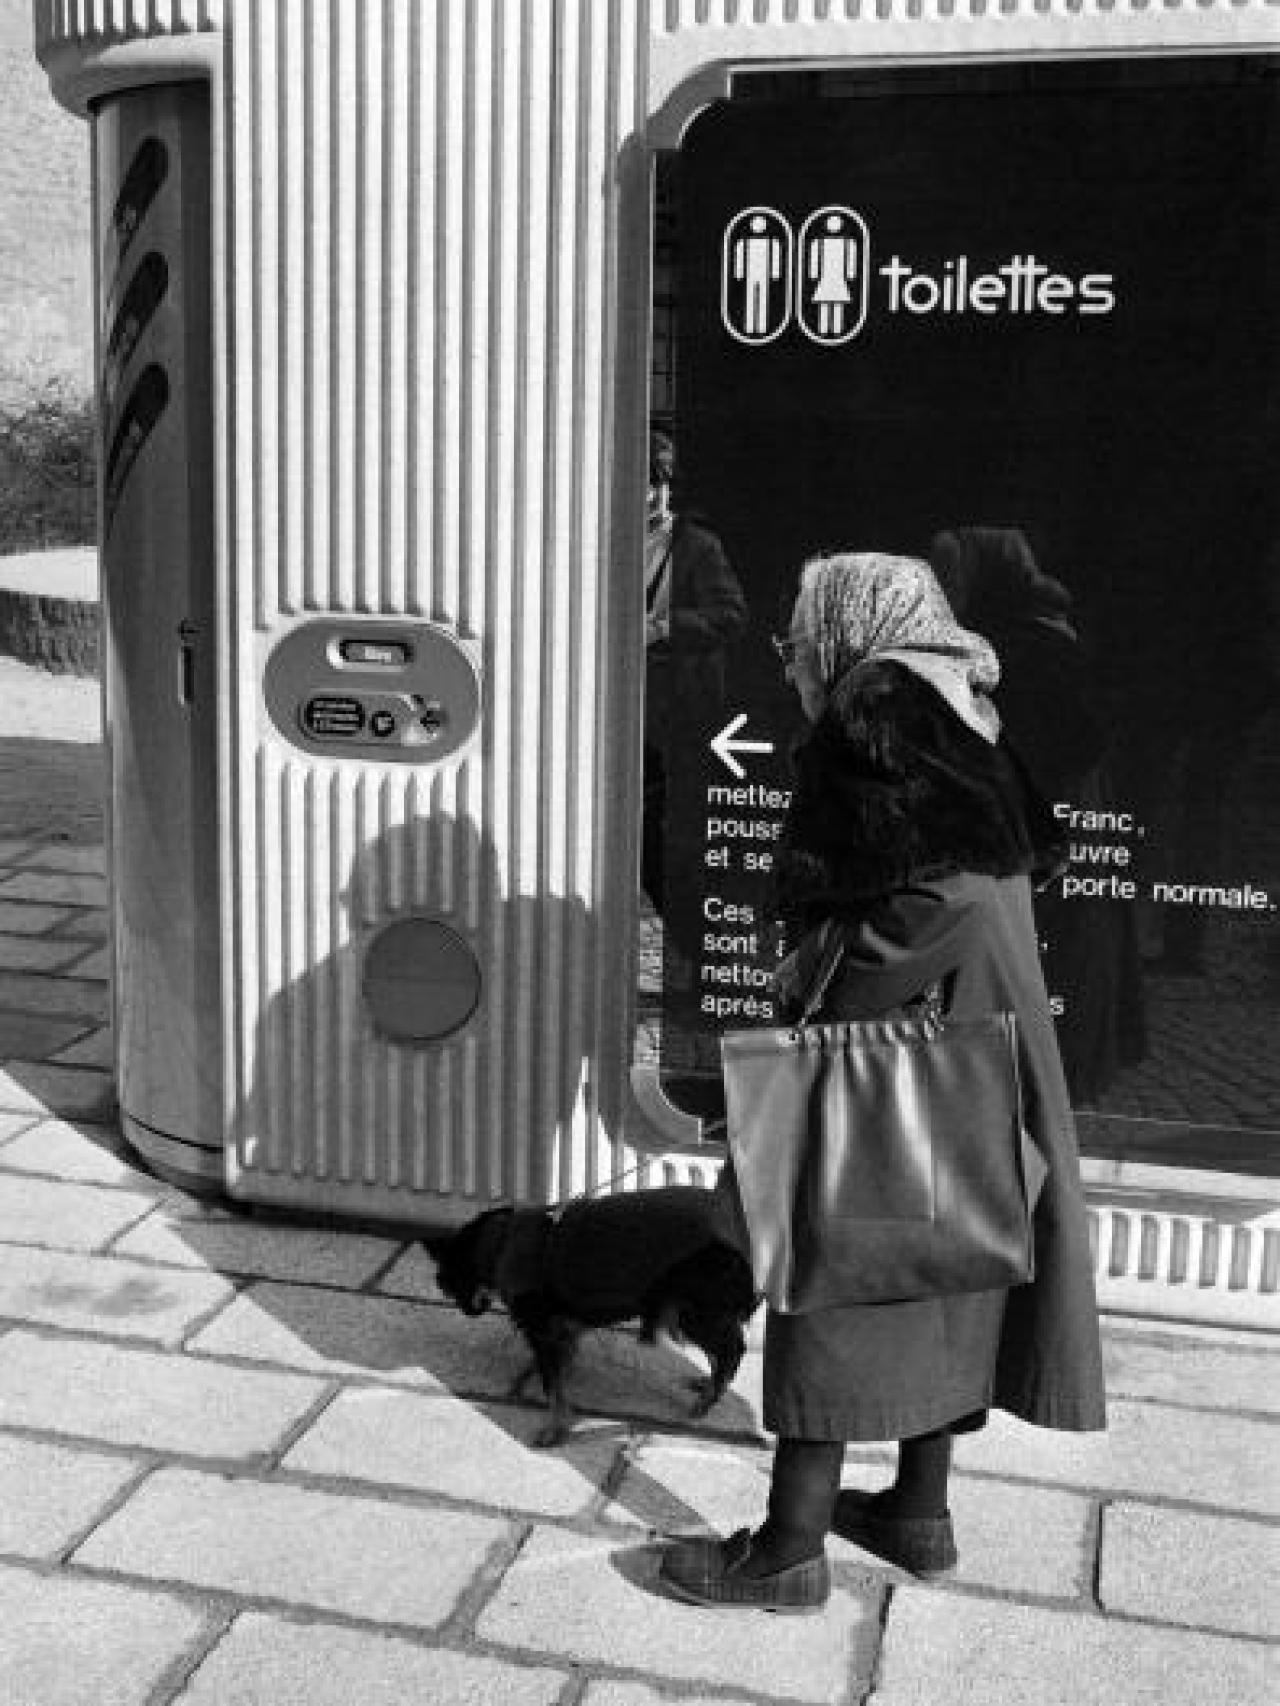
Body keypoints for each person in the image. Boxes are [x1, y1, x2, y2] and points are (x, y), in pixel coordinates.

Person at [660, 551, 1106, 1611]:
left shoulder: (874, 710)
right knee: (951, 1261)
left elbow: (918, 904)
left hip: (899, 1033)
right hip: (978, 1036)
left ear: (847, 622)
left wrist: (817, 979)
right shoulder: (958, 698)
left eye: (803, 622)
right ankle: (915, 1512)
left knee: (837, 1273)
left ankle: (785, 1550)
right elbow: (980, 875)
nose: (795, 646)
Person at [641, 427, 748, 940]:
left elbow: (731, 616)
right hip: (625, 708)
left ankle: (690, 940)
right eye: (645, 483)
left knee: (677, 833)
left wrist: (664, 627)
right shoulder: (604, 539)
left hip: (683, 710)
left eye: (662, 484)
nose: (653, 496)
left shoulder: (698, 545)